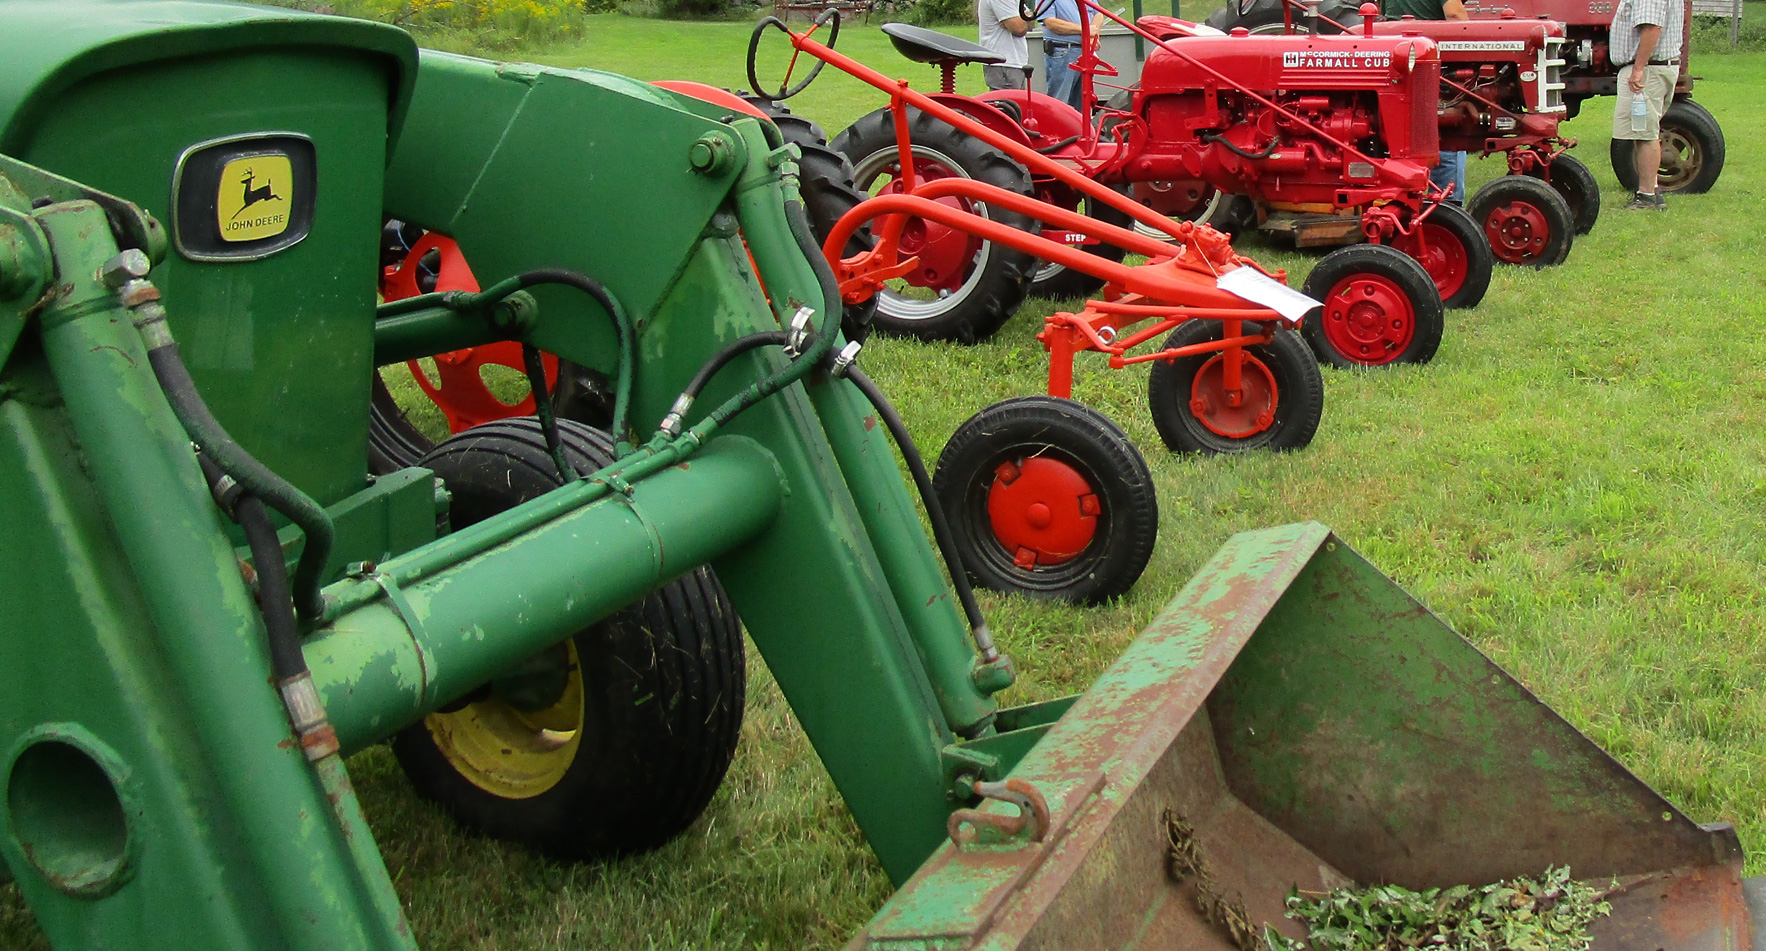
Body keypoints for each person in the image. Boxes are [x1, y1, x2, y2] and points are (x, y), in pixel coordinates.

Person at [1382, 0, 1469, 203]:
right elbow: (1455, 14)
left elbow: (1388, 19)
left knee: (1407, 135)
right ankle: (1447, 204)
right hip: (1431, 65)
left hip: (1399, 63)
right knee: (1446, 130)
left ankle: (1412, 198)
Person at [1610, 0, 1681, 210]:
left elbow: (1651, 27)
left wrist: (1639, 68)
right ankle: (1652, 190)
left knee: (1645, 134)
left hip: (1647, 71)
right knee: (1641, 131)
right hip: (1653, 69)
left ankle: (1647, 197)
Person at [1036, 0, 1087, 110]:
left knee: (1083, 104)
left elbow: (1097, 13)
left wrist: (1092, 35)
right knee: (1059, 102)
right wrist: (1085, 30)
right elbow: (1051, 23)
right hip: (1062, 51)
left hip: (1084, 51)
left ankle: (1079, 127)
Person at [978, 0, 1031, 91]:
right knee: (1008, 103)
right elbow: (1020, 28)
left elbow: (1030, 21)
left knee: (1017, 102)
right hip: (1004, 63)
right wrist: (1022, 19)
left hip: (1012, 64)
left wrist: (1022, 19)